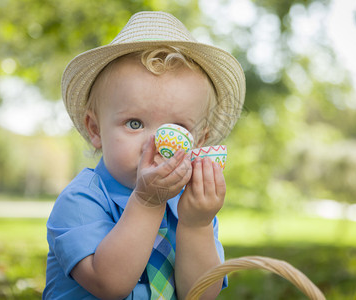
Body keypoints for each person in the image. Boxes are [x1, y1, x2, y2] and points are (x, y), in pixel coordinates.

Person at [43, 11, 245, 300]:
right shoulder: (80, 200)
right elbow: (109, 285)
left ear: (199, 141)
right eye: (134, 124)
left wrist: (196, 225)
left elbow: (199, 295)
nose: (156, 144)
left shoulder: (191, 208)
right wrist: (148, 202)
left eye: (176, 129)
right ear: (95, 129)